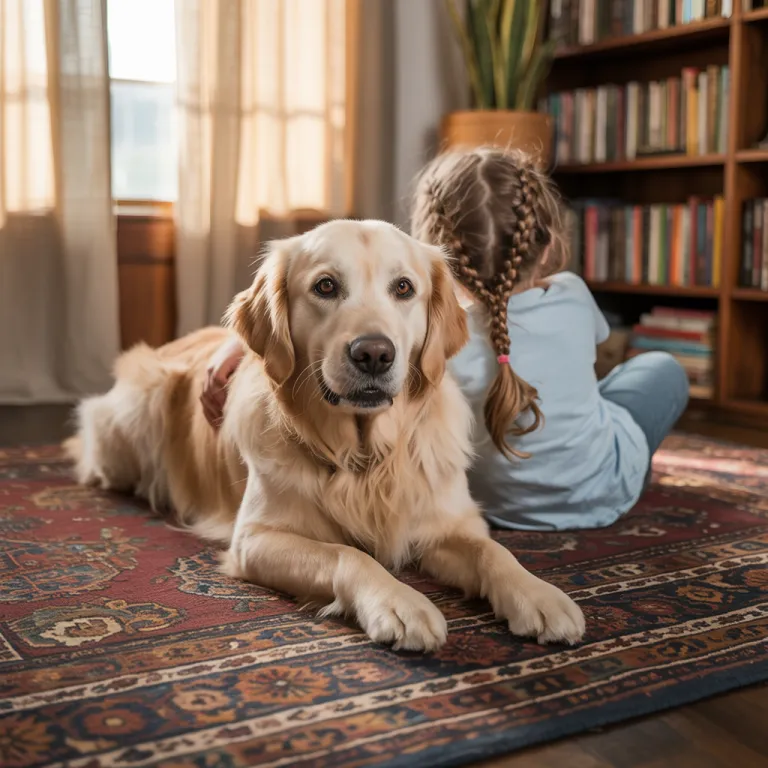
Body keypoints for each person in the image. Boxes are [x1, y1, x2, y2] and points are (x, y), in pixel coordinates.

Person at [201, 146, 690, 531]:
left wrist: (239, 342)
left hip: (488, 499)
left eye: (401, 288)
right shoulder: (571, 294)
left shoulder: (433, 335)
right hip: (609, 488)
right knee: (654, 372)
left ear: (439, 257)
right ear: (546, 247)